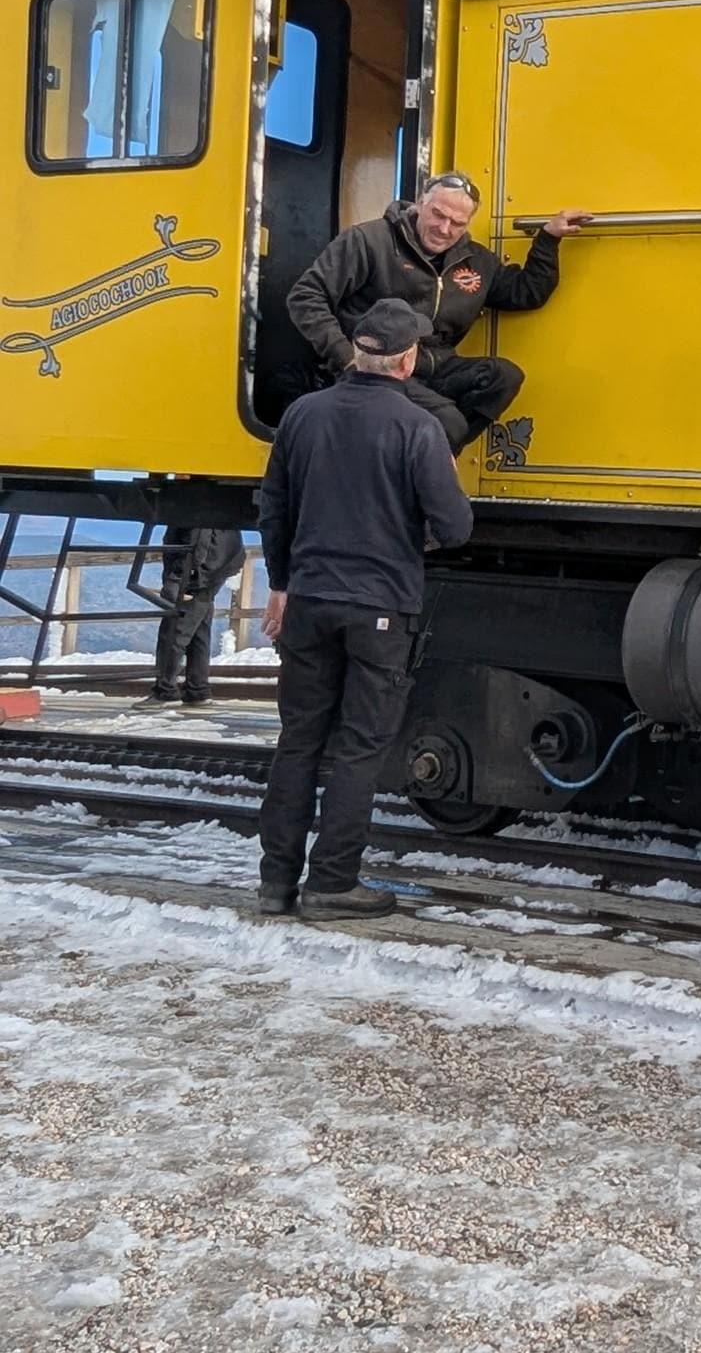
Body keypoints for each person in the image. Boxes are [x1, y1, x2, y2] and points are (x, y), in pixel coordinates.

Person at [256, 298, 475, 918]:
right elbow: (455, 527)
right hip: (379, 606)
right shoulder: (417, 428)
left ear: (357, 353)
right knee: (358, 747)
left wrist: (282, 581)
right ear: (407, 361)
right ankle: (332, 884)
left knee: (299, 740)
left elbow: (273, 508)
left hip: (309, 600)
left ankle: (276, 884)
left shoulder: (302, 415)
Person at [285, 171, 592, 451]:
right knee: (450, 424)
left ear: (468, 223)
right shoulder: (369, 240)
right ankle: (425, 466)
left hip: (436, 365)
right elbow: (305, 296)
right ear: (420, 203)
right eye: (438, 214)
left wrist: (548, 238)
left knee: (504, 377)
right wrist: (345, 356)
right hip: (376, 368)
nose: (444, 229)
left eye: (457, 223)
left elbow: (528, 292)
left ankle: (419, 458)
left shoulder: (477, 261)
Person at [143, 525, 245, 706]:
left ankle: (165, 690)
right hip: (217, 564)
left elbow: (201, 529)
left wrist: (187, 572)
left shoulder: (198, 510)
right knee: (199, 629)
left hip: (198, 568)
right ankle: (197, 689)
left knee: (175, 629)